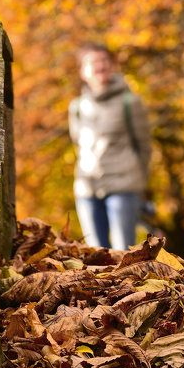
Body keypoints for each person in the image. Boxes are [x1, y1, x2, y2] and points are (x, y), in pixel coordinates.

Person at [68, 43, 151, 250]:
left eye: (104, 61)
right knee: (96, 254)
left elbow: (144, 146)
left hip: (124, 186)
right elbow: (77, 142)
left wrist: (140, 182)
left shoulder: (130, 102)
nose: (100, 66)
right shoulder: (77, 107)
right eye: (93, 62)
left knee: (124, 252)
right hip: (87, 189)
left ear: (112, 66)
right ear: (82, 71)